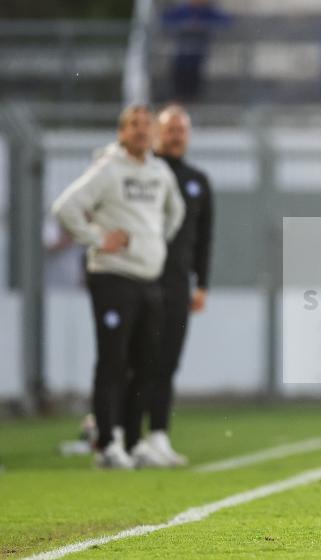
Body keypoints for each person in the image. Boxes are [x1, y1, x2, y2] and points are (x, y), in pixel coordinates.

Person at [52, 105, 185, 469]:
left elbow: (176, 212)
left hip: (148, 277)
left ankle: (132, 438)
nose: (142, 132)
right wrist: (96, 238)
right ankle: (107, 443)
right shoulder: (107, 169)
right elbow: (65, 207)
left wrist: (152, 242)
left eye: (146, 126)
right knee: (113, 361)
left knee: (146, 364)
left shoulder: (159, 172)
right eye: (134, 126)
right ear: (121, 132)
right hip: (113, 276)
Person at [131, 104, 213, 467]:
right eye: (170, 129)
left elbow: (204, 238)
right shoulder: (144, 174)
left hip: (179, 282)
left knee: (166, 361)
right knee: (136, 360)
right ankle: (125, 435)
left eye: (182, 129)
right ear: (157, 134)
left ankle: (159, 435)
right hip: (143, 277)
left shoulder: (198, 180)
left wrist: (202, 284)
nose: (176, 134)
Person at [161, 0, 231, 102]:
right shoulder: (182, 10)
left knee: (195, 79)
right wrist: (184, 25)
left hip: (198, 56)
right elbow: (166, 19)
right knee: (180, 76)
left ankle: (193, 100)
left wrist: (203, 25)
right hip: (182, 55)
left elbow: (226, 21)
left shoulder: (208, 11)